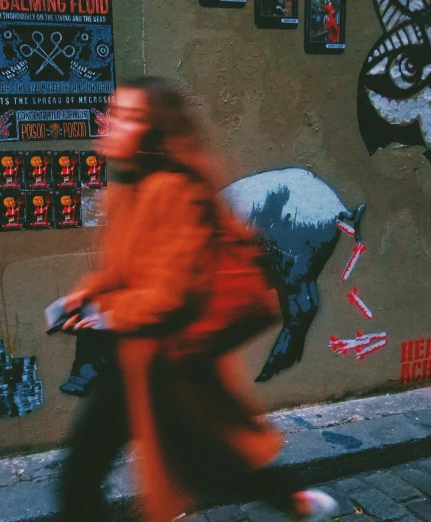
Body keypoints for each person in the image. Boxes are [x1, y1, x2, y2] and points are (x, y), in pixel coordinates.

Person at [56, 77, 338, 522]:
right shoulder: (127, 189)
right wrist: (85, 294)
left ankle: (294, 500)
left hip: (165, 362)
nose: (110, 124)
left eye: (128, 117)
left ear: (152, 132)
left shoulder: (170, 191)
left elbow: (168, 296)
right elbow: (126, 269)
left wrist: (105, 313)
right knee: (204, 461)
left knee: (82, 477)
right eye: (113, 111)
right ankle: (294, 501)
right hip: (142, 362)